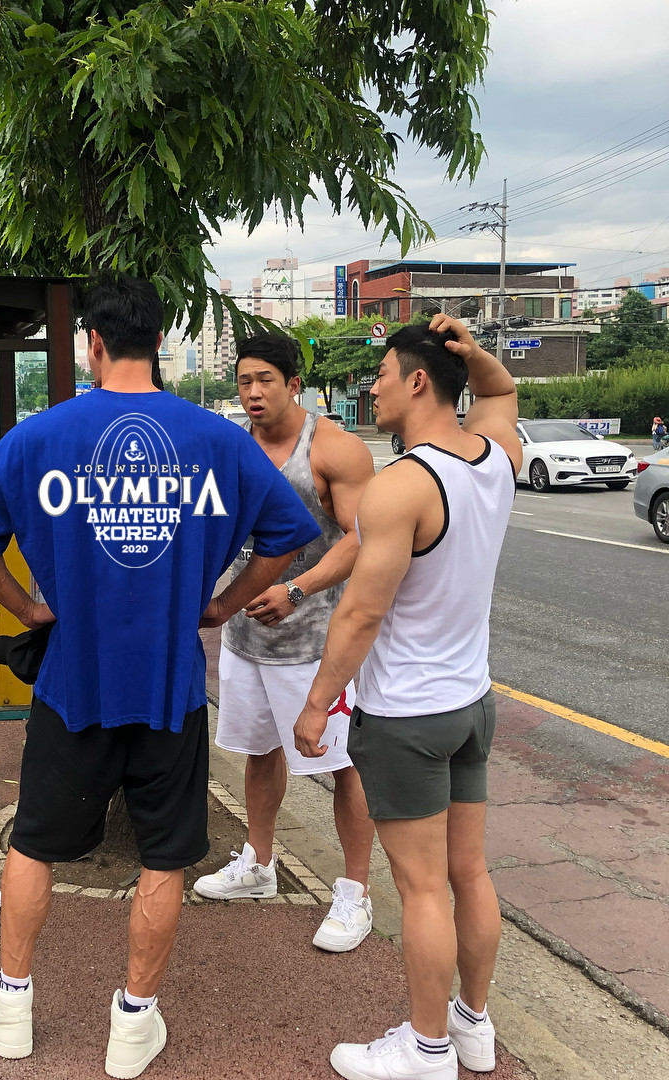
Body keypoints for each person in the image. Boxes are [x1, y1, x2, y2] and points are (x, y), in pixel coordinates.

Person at [0, 274, 319, 1078]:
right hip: (170, 688)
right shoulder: (220, 442)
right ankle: (134, 1025)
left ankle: (10, 1003)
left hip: (72, 683)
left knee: (33, 844)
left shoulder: (42, 436)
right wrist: (223, 602)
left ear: (94, 345)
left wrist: (25, 607)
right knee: (164, 855)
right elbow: (287, 535)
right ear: (158, 340)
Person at [293, 315, 521, 1079]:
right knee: (469, 874)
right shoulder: (496, 458)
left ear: (418, 380)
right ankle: (472, 1028)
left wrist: (318, 700)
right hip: (471, 704)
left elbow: (361, 612)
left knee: (422, 888)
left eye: (383, 373)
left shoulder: (402, 485)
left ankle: (426, 1053)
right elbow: (501, 391)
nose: (373, 386)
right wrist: (476, 356)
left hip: (407, 715)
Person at [191, 332, 379, 955]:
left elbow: (360, 539)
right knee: (259, 751)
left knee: (342, 765)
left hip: (316, 642)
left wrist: (295, 590)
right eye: (244, 381)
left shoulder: (334, 449)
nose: (252, 393)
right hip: (246, 636)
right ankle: (260, 863)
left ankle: (355, 892)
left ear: (294, 383)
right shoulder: (234, 449)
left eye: (265, 380)